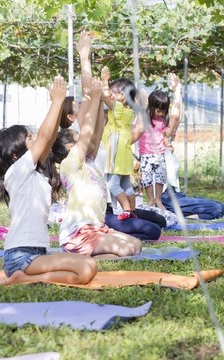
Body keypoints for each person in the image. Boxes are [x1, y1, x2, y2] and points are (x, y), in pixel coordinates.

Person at [0, 76, 97, 285]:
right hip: (19, 256)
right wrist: (56, 103)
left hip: (37, 253)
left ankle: (23, 278)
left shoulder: (33, 172)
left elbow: (49, 138)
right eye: (29, 138)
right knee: (84, 272)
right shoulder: (17, 172)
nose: (34, 139)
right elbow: (44, 138)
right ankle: (21, 279)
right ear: (15, 155)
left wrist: (60, 103)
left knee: (90, 266)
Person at [55, 77, 142, 258]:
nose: (84, 137)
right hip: (79, 232)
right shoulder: (71, 164)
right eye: (77, 136)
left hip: (97, 228)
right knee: (126, 250)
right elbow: (87, 132)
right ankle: (80, 256)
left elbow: (96, 132)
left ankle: (87, 255)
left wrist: (101, 98)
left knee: (136, 245)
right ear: (71, 148)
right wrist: (95, 99)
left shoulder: (89, 160)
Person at [133, 73, 182, 211]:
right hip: (146, 155)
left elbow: (164, 137)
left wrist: (168, 144)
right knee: (147, 179)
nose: (160, 114)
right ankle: (150, 200)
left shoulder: (162, 122)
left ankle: (158, 200)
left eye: (163, 112)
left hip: (159, 154)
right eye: (158, 111)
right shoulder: (143, 118)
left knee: (160, 177)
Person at [101, 67, 143, 218]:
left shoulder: (118, 108)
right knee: (126, 184)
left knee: (112, 184)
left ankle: (125, 209)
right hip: (124, 154)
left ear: (121, 96)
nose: (110, 98)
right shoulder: (130, 112)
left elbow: (105, 97)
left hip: (116, 153)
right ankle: (133, 210)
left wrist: (104, 79)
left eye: (113, 95)